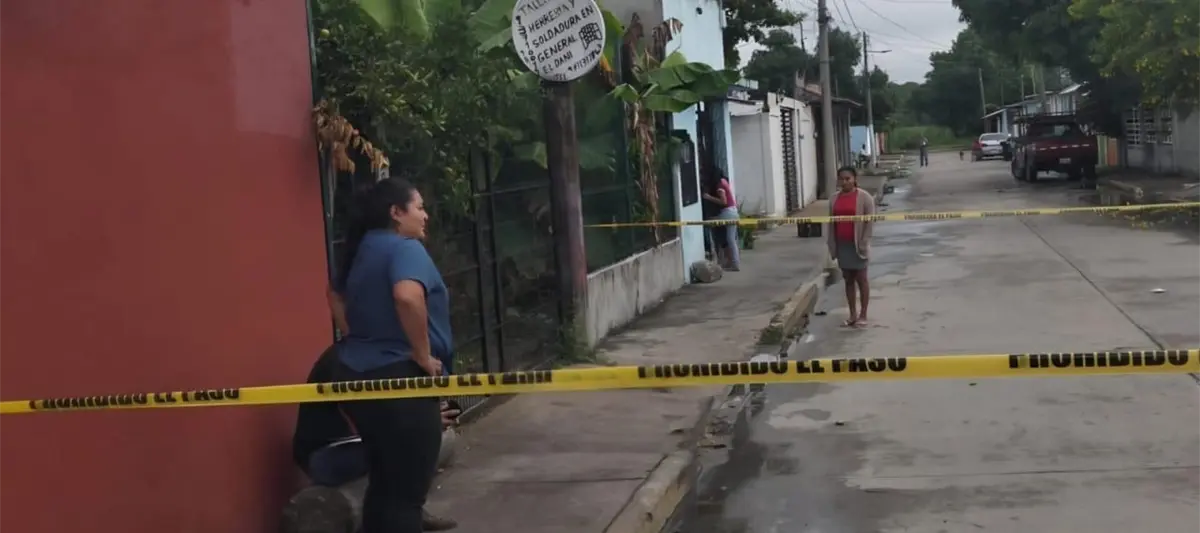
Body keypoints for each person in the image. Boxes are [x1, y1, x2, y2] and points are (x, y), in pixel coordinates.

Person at [326, 176, 453, 533]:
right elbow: (407, 296)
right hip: (400, 382)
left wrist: (357, 337)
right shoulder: (405, 248)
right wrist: (423, 355)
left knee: (384, 484)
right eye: (420, 207)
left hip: (356, 374)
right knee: (406, 495)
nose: (425, 215)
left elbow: (333, 294)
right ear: (396, 213)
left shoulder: (362, 247)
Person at [291, 344, 461, 531]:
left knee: (414, 441)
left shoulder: (378, 354)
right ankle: (402, 515)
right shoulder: (348, 360)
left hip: (349, 447)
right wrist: (422, 422)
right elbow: (374, 420)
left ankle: (413, 512)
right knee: (411, 443)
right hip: (325, 455)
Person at [827, 166, 875, 327]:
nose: (845, 182)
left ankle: (863, 314)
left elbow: (870, 222)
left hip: (858, 245)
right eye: (841, 179)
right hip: (843, 245)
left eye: (848, 179)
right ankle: (852, 314)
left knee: (862, 279)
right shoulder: (834, 199)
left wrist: (864, 241)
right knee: (848, 280)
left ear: (854, 179)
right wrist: (832, 244)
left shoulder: (865, 197)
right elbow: (831, 223)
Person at [702, 172, 741, 271]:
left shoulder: (720, 186)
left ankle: (713, 253)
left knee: (709, 222)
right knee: (731, 239)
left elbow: (724, 202)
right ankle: (735, 263)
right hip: (734, 212)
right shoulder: (724, 181)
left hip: (727, 213)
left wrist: (709, 197)